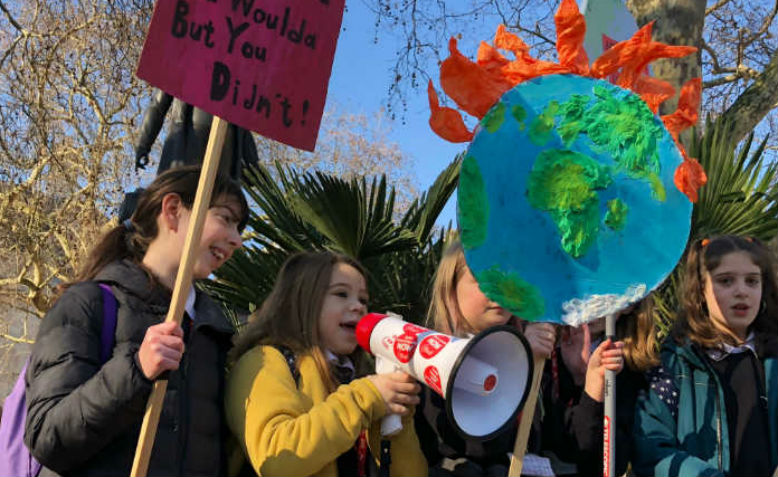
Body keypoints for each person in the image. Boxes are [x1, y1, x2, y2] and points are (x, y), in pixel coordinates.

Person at [24, 166, 249, 476]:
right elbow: (47, 437)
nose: (237, 240)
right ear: (172, 210)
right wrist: (136, 370)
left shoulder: (216, 331)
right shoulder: (87, 304)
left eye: (239, 228)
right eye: (226, 219)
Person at [414, 239, 625, 476]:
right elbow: (473, 449)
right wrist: (515, 362)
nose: (499, 292)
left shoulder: (537, 359)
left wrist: (588, 384)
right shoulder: (430, 361)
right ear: (451, 291)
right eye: (484, 281)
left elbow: (575, 450)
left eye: (507, 282)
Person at [225, 251, 427, 477]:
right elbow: (277, 461)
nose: (358, 307)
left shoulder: (357, 380)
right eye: (341, 294)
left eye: (363, 299)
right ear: (301, 301)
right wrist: (364, 398)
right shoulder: (264, 362)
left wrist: (398, 421)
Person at [633, 235, 778, 477]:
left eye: (752, 281)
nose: (741, 291)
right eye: (726, 281)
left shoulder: (773, 359)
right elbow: (651, 449)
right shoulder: (674, 363)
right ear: (701, 289)